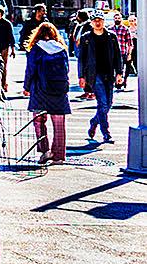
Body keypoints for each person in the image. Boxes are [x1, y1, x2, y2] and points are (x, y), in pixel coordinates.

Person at [23, 21, 70, 165]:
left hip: (40, 90)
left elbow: (30, 70)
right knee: (59, 124)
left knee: (39, 121)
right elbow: (66, 70)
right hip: (59, 90)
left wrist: (27, 87)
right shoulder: (61, 49)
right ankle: (59, 156)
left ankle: (45, 151)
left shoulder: (36, 49)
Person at [77, 13, 119, 146]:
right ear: (91, 23)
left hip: (109, 74)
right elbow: (81, 58)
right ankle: (106, 133)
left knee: (108, 104)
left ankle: (94, 121)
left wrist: (119, 73)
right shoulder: (86, 38)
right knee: (103, 103)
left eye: (100, 20)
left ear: (104, 21)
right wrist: (81, 76)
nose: (97, 23)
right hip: (94, 75)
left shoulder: (111, 37)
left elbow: (118, 56)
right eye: (95, 21)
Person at [0, 4, 17, 96]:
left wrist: (13, 49)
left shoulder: (7, 23)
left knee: (3, 66)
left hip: (4, 47)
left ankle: (3, 84)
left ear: (0, 13)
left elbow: (11, 37)